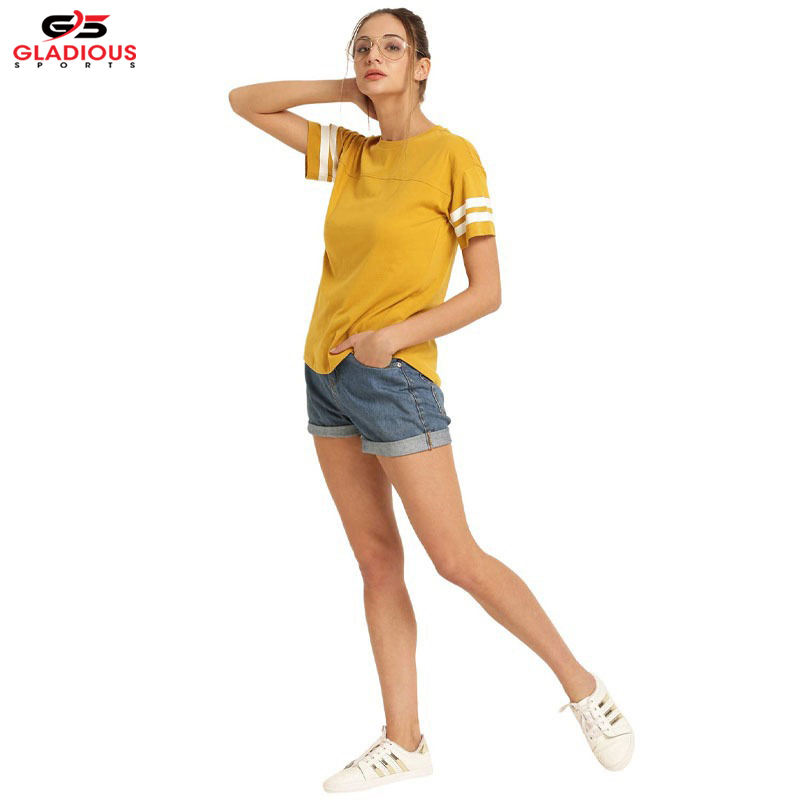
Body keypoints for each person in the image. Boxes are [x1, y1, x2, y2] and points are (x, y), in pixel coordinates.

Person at [229, 7, 634, 792]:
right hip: (325, 376)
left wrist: (393, 337)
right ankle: (405, 742)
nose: (373, 56)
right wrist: (346, 91)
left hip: (394, 379)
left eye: (392, 47)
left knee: (455, 558)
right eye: (363, 47)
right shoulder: (351, 154)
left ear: (423, 65)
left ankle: (584, 688)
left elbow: (487, 291)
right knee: (377, 561)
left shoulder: (453, 156)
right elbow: (245, 100)